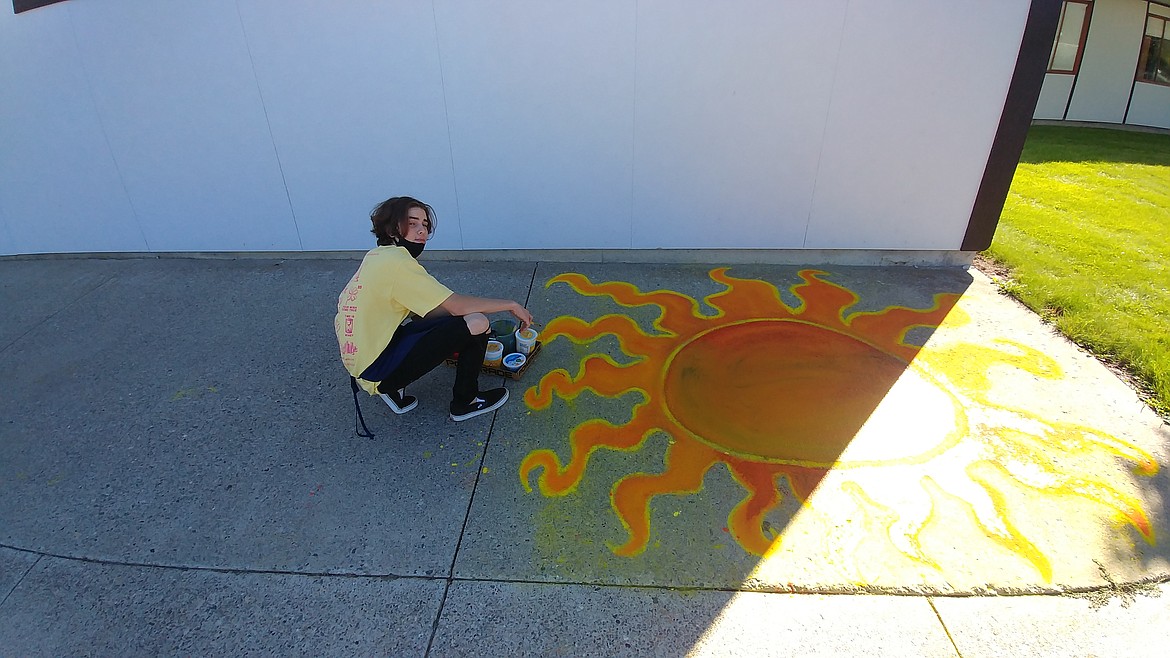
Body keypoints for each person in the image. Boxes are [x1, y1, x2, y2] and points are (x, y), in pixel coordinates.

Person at [335, 196, 533, 434]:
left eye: (425, 225)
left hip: (363, 361)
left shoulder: (378, 257)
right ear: (392, 227)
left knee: (459, 320)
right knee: (478, 322)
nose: (422, 231)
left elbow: (432, 310)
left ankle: (393, 390)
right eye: (413, 223)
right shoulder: (398, 263)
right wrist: (510, 304)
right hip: (377, 370)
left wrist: (452, 328)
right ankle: (465, 402)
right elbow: (457, 306)